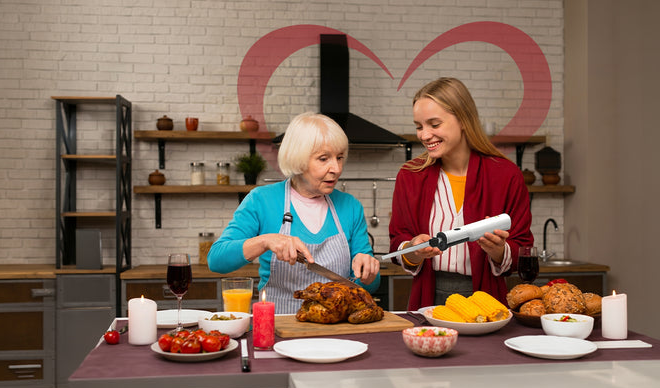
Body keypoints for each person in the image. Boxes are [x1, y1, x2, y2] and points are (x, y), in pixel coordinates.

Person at [208, 112, 381, 314]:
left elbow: (370, 284)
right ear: (298, 160)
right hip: (279, 326)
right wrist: (265, 241)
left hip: (336, 327)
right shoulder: (262, 200)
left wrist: (368, 273)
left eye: (340, 157)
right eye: (324, 159)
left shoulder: (350, 206)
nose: (336, 168)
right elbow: (216, 260)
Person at [389, 77, 533, 310]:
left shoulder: (506, 176)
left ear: (464, 120)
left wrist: (499, 251)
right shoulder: (410, 176)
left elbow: (524, 248)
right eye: (419, 126)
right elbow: (397, 241)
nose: (424, 135)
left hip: (487, 300)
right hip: (428, 298)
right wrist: (413, 250)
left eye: (434, 125)